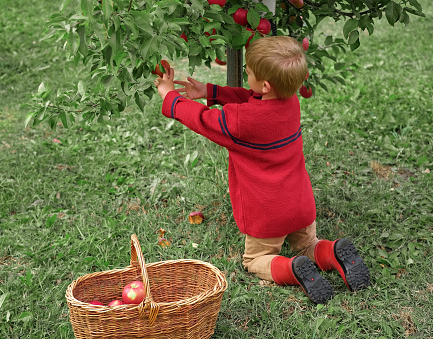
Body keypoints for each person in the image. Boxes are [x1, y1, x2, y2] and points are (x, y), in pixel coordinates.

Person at [154, 36, 370, 304]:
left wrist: (169, 96)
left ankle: (290, 269)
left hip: (267, 214)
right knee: (308, 245)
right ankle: (332, 252)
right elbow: (253, 99)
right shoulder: (290, 102)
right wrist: (212, 92)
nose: (246, 76)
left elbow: (202, 120)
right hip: (300, 204)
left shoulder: (240, 122)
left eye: (248, 72)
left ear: (265, 84)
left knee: (255, 259)